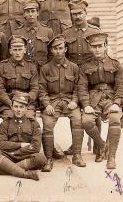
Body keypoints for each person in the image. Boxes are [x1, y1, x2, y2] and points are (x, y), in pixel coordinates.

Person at [38, 34, 86, 172]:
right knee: (47, 124)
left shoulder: (74, 67)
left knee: (78, 120)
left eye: (60, 48)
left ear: (65, 49)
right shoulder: (45, 69)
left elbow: (79, 87)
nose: (58, 51)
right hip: (52, 101)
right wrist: (46, 104)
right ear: (51, 50)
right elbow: (42, 90)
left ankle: (77, 155)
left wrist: (75, 101)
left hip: (69, 101)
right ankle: (48, 159)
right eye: (54, 48)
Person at [79, 32, 123, 169]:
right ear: (90, 48)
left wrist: (117, 103)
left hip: (111, 98)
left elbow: (121, 86)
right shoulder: (85, 67)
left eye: (100, 46)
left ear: (106, 46)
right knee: (86, 122)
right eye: (94, 47)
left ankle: (111, 157)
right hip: (93, 98)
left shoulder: (116, 65)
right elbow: (82, 87)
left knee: (115, 120)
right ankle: (102, 145)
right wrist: (86, 104)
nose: (97, 49)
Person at [63, 0, 101, 156]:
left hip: (91, 77)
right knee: (75, 111)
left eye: (80, 13)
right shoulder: (66, 33)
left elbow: (101, 54)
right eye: (74, 14)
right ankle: (75, 143)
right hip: (73, 78)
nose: (77, 16)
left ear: (86, 13)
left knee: (94, 108)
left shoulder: (95, 32)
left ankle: (98, 145)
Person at [0, 92, 46, 180]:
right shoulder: (5, 123)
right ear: (12, 107)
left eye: (21, 107)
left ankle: (2, 170)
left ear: (26, 109)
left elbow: (36, 147)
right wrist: (20, 145)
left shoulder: (34, 124)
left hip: (25, 156)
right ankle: (25, 174)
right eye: (16, 106)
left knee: (41, 158)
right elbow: (0, 144)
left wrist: (16, 152)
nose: (18, 110)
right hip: (8, 155)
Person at [0, 35, 38, 119]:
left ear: (25, 50)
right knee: (9, 119)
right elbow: (0, 90)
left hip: (26, 103)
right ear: (10, 51)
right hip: (8, 104)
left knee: (29, 119)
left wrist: (24, 101)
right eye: (15, 50)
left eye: (20, 49)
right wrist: (11, 103)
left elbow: (35, 89)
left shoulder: (31, 67)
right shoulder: (2, 66)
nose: (17, 53)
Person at [11, 0, 54, 68]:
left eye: (33, 11)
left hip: (42, 69)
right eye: (27, 12)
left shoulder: (48, 31)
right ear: (24, 14)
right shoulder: (17, 32)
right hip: (23, 69)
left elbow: (51, 54)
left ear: (38, 13)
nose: (30, 14)